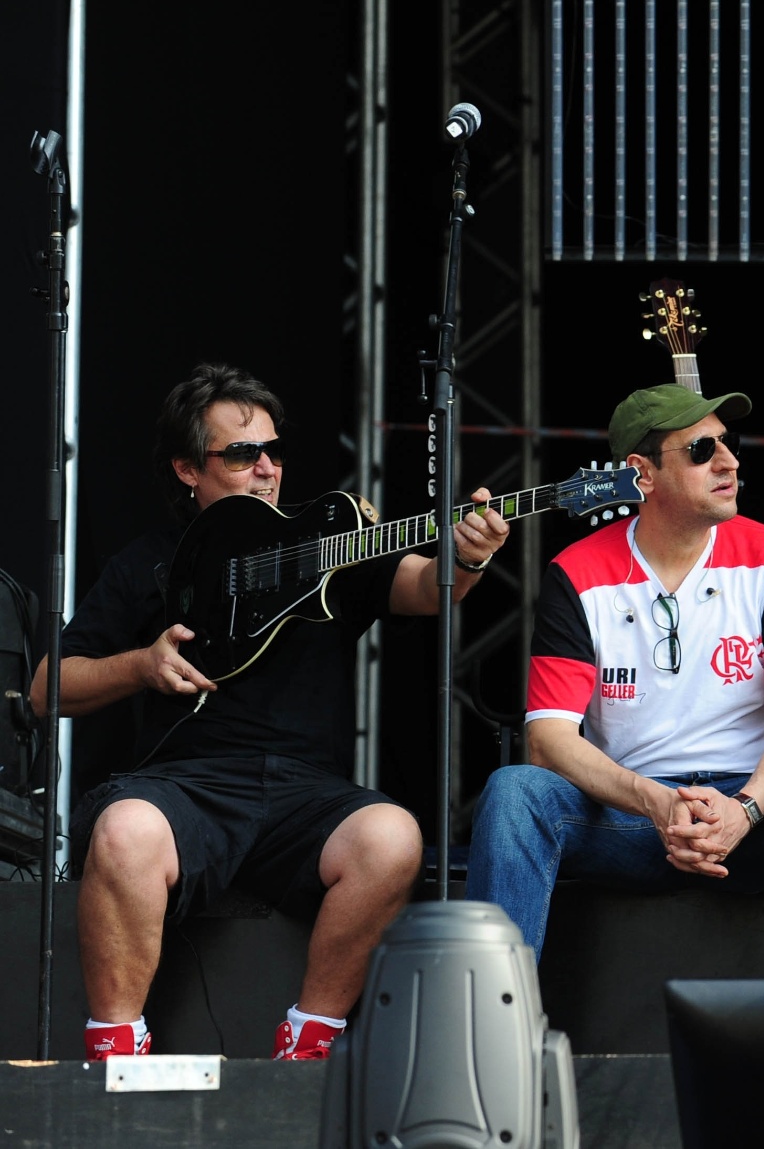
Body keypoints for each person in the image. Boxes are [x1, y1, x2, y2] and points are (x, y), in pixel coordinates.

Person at [32, 362, 510, 1061]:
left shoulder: (325, 540)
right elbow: (47, 687)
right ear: (187, 468)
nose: (266, 467)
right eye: (242, 452)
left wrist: (467, 559)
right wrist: (141, 664)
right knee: (124, 830)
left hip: (306, 796)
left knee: (392, 837)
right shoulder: (151, 563)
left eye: (274, 451)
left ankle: (309, 1044)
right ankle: (116, 1058)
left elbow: (426, 589)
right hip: (186, 787)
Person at [463, 384, 764, 978]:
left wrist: (744, 811)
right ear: (642, 474)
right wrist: (656, 803)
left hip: (748, 812)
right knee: (513, 793)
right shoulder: (575, 571)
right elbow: (548, 741)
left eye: (729, 445)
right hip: (630, 813)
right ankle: (488, 1035)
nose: (729, 461)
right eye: (702, 450)